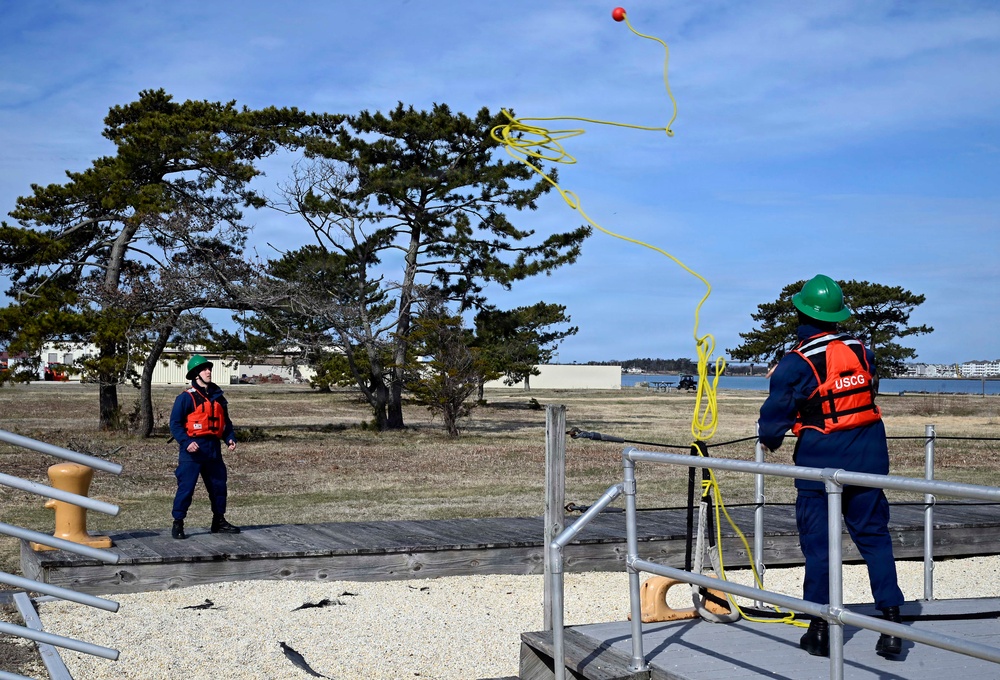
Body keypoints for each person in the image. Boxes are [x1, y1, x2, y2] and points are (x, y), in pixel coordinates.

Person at [758, 274, 904, 659]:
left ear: (801, 313)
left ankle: (820, 629)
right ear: (838, 315)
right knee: (874, 537)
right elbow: (866, 392)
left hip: (819, 463)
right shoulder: (862, 350)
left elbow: (773, 420)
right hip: (869, 457)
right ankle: (891, 624)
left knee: (820, 546)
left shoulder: (795, 362)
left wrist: (770, 438)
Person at [168, 354, 241, 539]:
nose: (208, 372)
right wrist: (186, 442)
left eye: (209, 369)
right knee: (186, 488)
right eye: (204, 369)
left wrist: (229, 438)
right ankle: (178, 523)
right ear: (196, 374)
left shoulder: (219, 398)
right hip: (193, 450)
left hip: (213, 448)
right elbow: (175, 424)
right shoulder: (185, 398)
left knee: (218, 486)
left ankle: (219, 521)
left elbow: (226, 423)